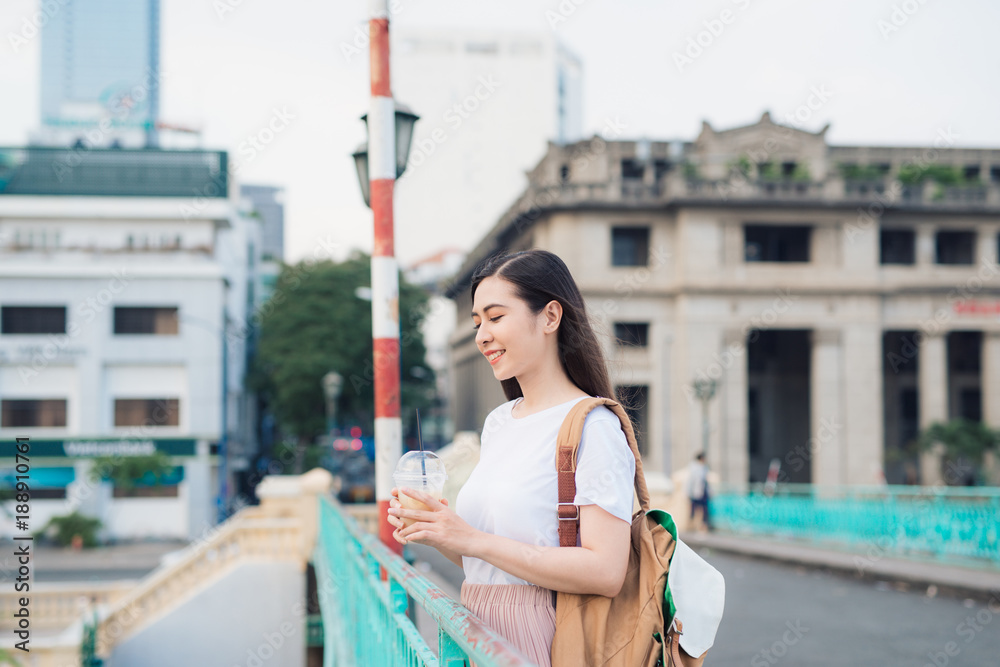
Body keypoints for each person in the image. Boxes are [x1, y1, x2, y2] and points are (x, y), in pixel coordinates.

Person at [386, 249, 637, 666]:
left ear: (551, 317)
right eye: (477, 322)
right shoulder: (500, 422)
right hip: (475, 628)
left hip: (540, 637)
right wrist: (439, 531)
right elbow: (486, 562)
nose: (482, 335)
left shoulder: (594, 427)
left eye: (496, 317)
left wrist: (472, 539)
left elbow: (607, 571)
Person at [687, 452, 711, 532]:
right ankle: (692, 525)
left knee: (703, 509)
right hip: (696, 492)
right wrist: (689, 492)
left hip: (702, 492)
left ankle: (701, 525)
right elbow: (692, 481)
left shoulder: (704, 468)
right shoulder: (695, 468)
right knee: (694, 509)